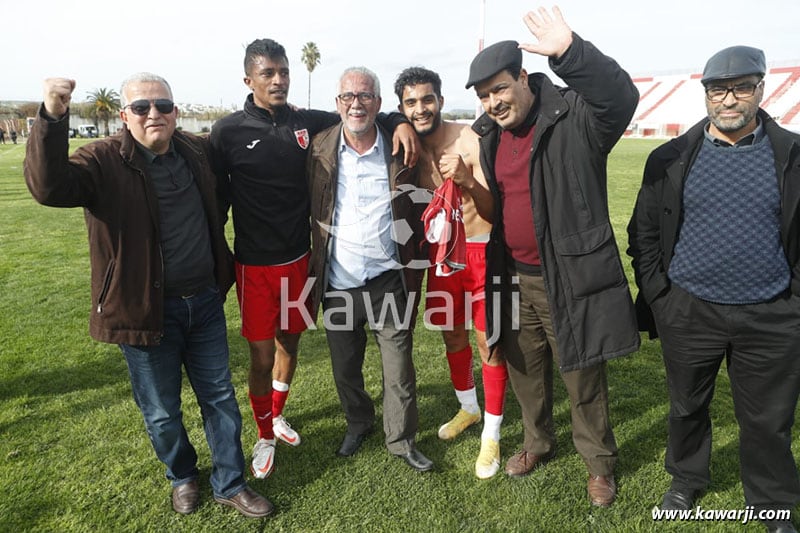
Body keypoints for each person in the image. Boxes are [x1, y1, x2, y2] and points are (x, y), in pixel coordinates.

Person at [24, 73, 273, 518]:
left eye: (163, 106)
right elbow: (48, 187)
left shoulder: (195, 151)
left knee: (220, 399)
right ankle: (182, 475)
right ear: (125, 115)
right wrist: (53, 116)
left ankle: (230, 482)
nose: (153, 114)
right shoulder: (102, 160)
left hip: (204, 302)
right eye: (141, 107)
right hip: (144, 311)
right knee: (161, 411)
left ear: (175, 112)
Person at [209, 39, 418, 480]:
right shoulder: (228, 132)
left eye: (283, 71)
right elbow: (215, 199)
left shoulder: (307, 122)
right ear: (249, 80)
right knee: (277, 358)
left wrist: (399, 120)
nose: (279, 80)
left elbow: (365, 112)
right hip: (271, 268)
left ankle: (387, 437)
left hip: (313, 265)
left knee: (297, 347)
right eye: (268, 73)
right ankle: (277, 431)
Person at [465, 6, 640, 507]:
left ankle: (599, 464)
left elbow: (620, 98)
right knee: (524, 368)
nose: (493, 103)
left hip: (566, 272)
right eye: (484, 96)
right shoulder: (491, 133)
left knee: (581, 373)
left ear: (523, 77)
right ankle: (537, 442)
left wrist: (570, 51)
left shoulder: (573, 114)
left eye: (500, 89)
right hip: (512, 274)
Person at [628, 46, 800, 533]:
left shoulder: (793, 155)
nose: (728, 99)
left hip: (772, 312)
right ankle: (685, 479)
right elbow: (643, 233)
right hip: (688, 309)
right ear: (705, 94)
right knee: (686, 406)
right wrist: (661, 297)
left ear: (761, 89)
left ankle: (772, 502)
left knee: (768, 419)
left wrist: (795, 303)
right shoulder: (670, 157)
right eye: (717, 89)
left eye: (741, 87)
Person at [306, 66, 433, 472]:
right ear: (337, 102)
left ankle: (401, 440)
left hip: (387, 280)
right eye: (348, 96)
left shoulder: (398, 147)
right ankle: (358, 423)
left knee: (399, 370)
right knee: (345, 369)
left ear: (378, 103)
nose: (356, 104)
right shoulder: (319, 147)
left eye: (364, 96)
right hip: (338, 283)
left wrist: (399, 122)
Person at [393, 66, 509, 479]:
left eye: (427, 99)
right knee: (452, 334)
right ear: (402, 108)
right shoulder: (407, 145)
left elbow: (494, 211)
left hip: (479, 251)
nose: (420, 108)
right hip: (441, 257)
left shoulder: (469, 138)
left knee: (487, 342)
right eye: (411, 103)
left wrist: (467, 180)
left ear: (440, 100)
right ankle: (469, 408)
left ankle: (492, 433)